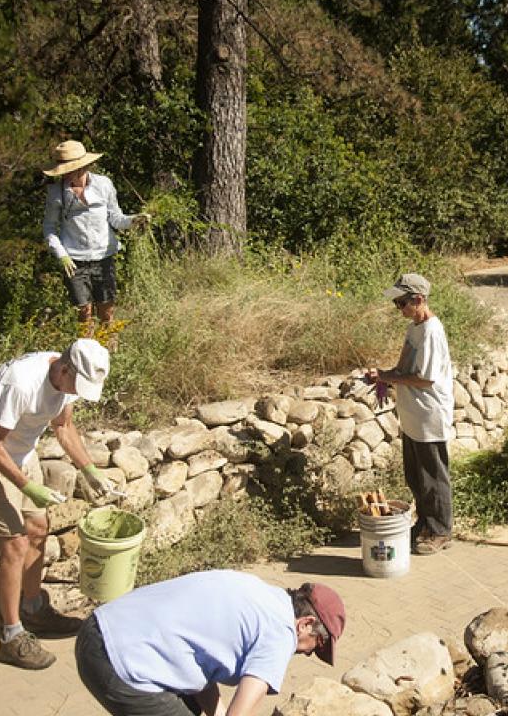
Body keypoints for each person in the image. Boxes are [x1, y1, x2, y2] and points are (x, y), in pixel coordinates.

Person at [0, 338, 119, 669]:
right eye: (78, 384)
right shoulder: (19, 384)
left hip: (21, 454)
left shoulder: (68, 380)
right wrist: (28, 487)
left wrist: (91, 471)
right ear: (63, 369)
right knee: (15, 544)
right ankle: (10, 635)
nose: (77, 391)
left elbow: (63, 428)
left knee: (38, 528)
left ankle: (34, 610)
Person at [75, 572, 345, 716]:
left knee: (190, 708)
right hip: (118, 659)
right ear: (306, 623)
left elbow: (202, 666)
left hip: (100, 628)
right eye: (316, 644)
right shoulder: (280, 634)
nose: (309, 652)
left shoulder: (262, 594)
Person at [366, 274, 455, 555]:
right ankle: (425, 522)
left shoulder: (430, 331)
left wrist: (389, 377)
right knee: (416, 477)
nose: (399, 309)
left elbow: (424, 378)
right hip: (414, 415)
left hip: (429, 414)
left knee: (433, 477)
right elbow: (404, 369)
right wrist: (384, 376)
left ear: (418, 300)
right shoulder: (414, 329)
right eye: (396, 303)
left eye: (402, 303)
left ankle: (441, 530)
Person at [42, 140, 150, 336]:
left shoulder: (103, 184)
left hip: (103, 256)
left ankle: (109, 349)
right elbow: (49, 228)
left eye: (69, 169)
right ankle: (87, 354)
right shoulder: (56, 193)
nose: (65, 174)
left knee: (106, 310)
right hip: (74, 261)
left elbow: (116, 219)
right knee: (84, 312)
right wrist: (61, 254)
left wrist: (134, 220)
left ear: (82, 166)